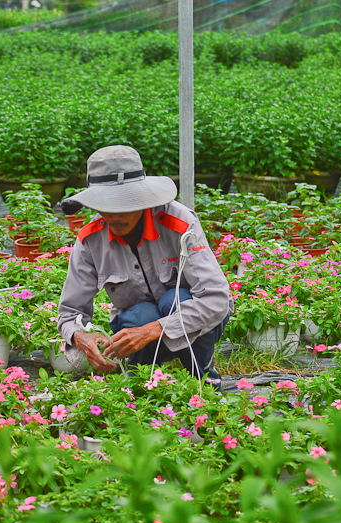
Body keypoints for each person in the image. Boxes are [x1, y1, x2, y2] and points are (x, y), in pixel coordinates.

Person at [56, 145, 232, 389]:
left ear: (142, 198)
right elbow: (68, 314)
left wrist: (154, 329)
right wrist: (81, 337)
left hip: (190, 324)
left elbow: (217, 299)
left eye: (125, 203)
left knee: (175, 299)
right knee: (141, 315)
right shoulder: (90, 240)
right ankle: (139, 383)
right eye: (106, 205)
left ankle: (203, 377)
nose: (115, 215)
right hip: (136, 327)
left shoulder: (179, 223)